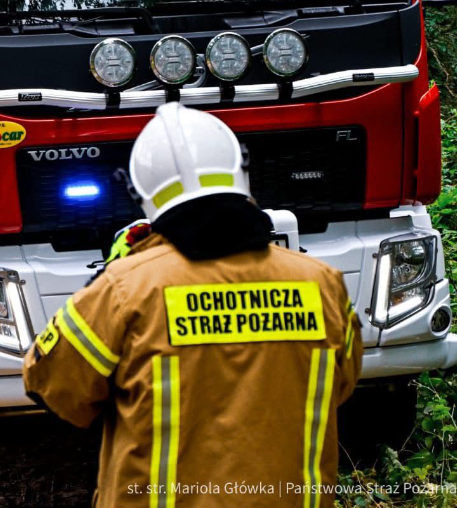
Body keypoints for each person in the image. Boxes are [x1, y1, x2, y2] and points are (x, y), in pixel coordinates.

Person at [23, 103, 362, 508]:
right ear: (242, 171)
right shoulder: (322, 285)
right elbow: (340, 385)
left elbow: (51, 386)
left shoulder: (126, 288)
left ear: (139, 193)